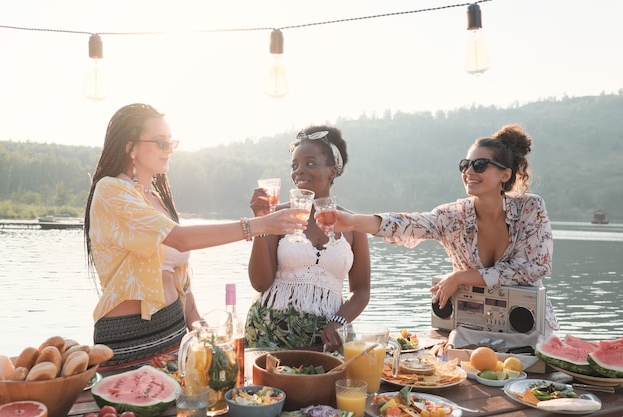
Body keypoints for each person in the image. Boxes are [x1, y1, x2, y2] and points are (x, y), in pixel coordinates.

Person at [83, 103, 308, 369]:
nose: (168, 150)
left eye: (171, 143)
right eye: (160, 143)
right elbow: (181, 239)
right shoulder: (111, 191)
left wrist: (207, 336)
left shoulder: (156, 199)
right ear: (130, 147)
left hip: (175, 331)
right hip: (128, 335)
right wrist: (259, 225)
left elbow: (183, 286)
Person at [318, 124, 559, 334]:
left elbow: (533, 268)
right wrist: (350, 221)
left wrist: (461, 277)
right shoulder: (453, 216)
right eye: (465, 165)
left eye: (480, 165)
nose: (469, 172)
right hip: (472, 331)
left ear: (505, 174)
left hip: (529, 329)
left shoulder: (530, 208)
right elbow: (408, 224)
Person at [245, 125, 371, 350]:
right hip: (271, 332)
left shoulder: (352, 224)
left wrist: (339, 321)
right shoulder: (277, 216)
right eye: (295, 165)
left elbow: (361, 290)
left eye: (310, 163)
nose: (298, 171)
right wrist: (260, 223)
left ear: (332, 171)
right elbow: (259, 282)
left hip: (326, 338)